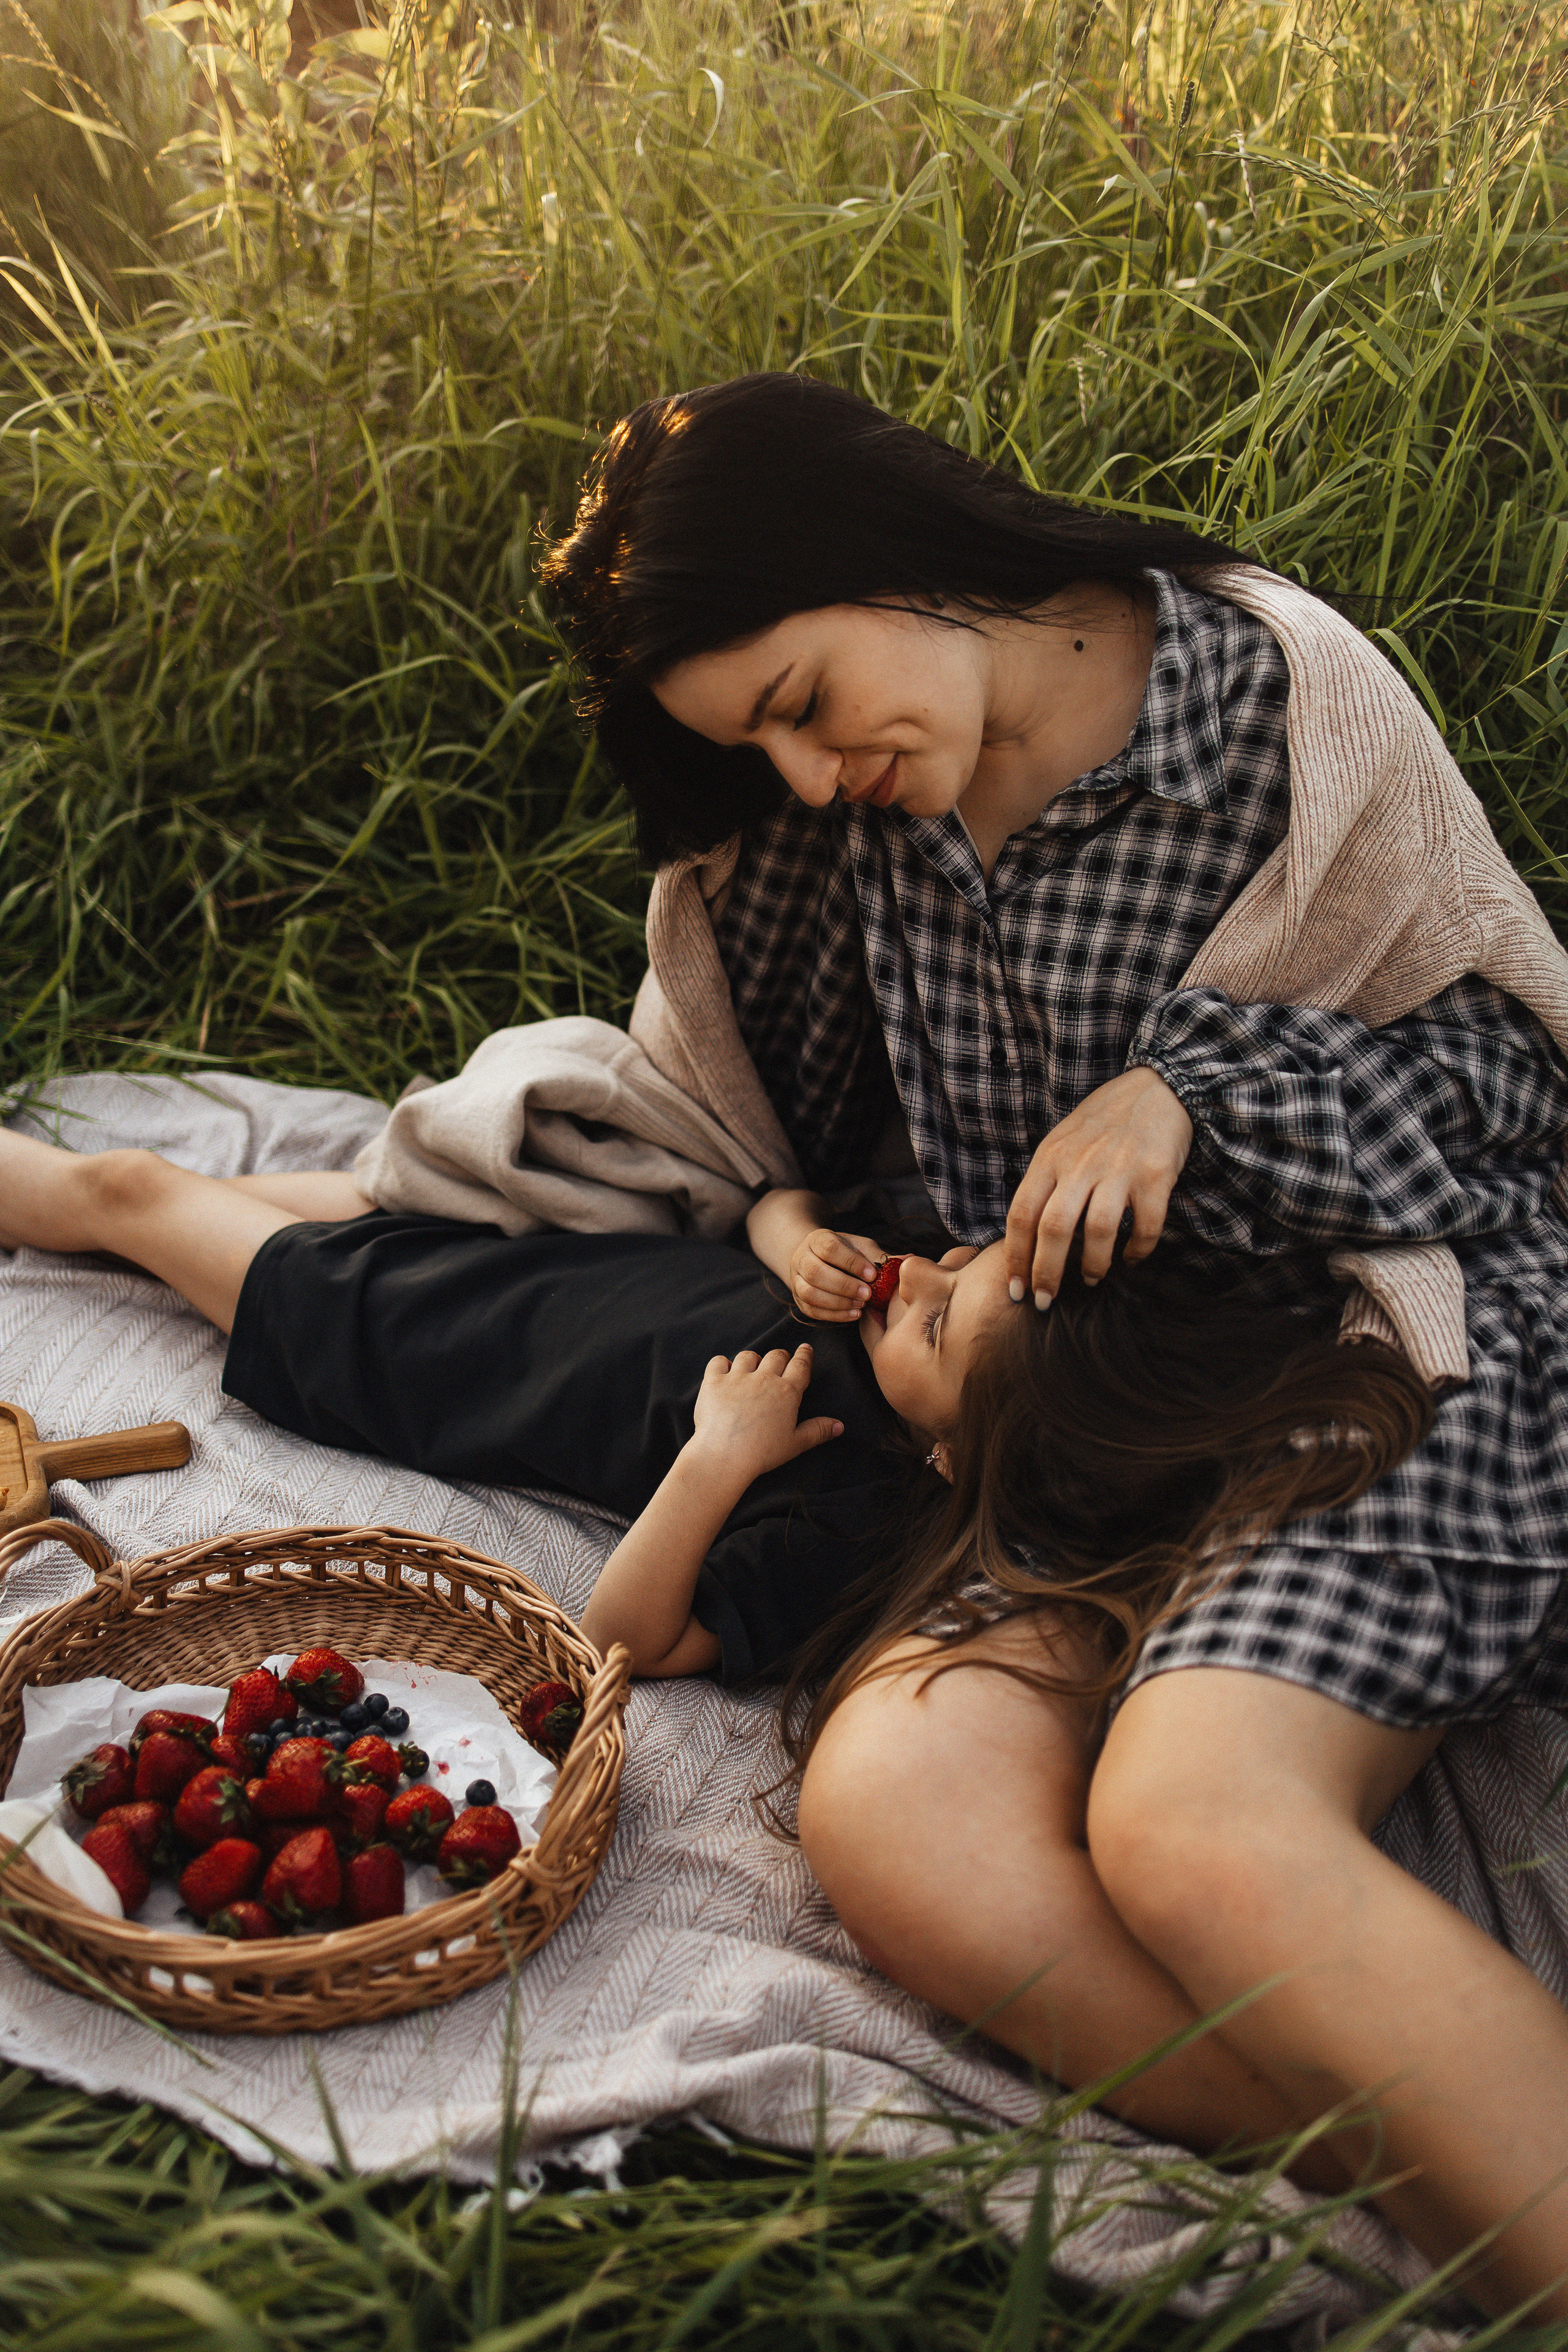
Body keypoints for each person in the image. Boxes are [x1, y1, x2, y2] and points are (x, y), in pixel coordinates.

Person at [541, 372, 1568, 2312]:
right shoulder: (849, 827)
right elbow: (781, 1101)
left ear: (885, 556)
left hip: (1349, 1352)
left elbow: (1520, 1078)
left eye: (797, 703)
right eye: (755, 751)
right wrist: (786, 1212)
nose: (810, 774)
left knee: (1192, 1822)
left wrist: (1192, 1089)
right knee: (891, 1798)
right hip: (1071, 1412)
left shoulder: (1271, 699)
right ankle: (1436, 2138)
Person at [1, 1117, 1442, 2185]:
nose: (920, 1276)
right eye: (959, 1261)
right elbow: (781, 1203)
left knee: (123, 1195)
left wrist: (710, 1460)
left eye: (939, 1315)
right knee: (239, 1191)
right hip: (531, 1259)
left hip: (407, 1345)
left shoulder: (839, 1505)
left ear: (945, 1455)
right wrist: (792, 1235)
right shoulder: (885, 1310)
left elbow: (630, 1635)